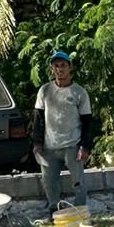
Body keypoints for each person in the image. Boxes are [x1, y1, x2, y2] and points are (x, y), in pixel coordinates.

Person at [33, 51, 95, 211]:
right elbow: (38, 119)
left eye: (63, 66)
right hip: (49, 146)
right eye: (56, 66)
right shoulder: (45, 91)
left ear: (70, 68)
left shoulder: (79, 92)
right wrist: (37, 143)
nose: (59, 70)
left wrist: (85, 146)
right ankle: (55, 212)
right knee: (49, 181)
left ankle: (80, 211)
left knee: (78, 182)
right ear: (52, 69)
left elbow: (87, 122)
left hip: (72, 145)